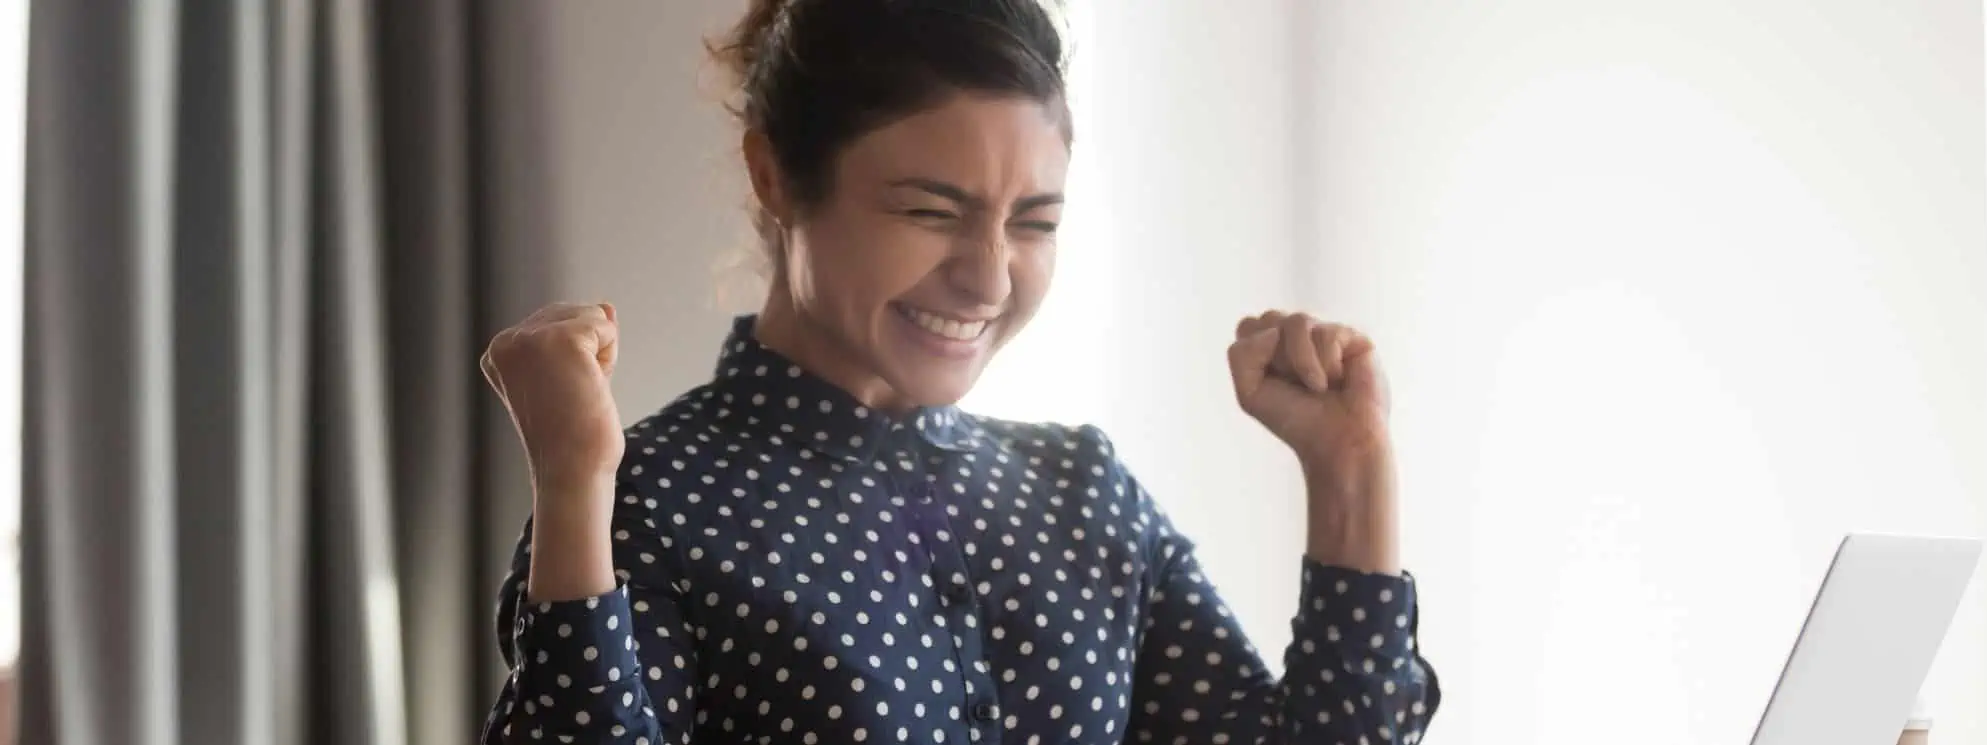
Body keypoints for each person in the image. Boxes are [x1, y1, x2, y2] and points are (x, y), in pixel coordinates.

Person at [477, 1, 1442, 743]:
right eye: (930, 211)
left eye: (1035, 222)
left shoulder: (1085, 495)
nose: (989, 276)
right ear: (774, 175)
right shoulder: (647, 501)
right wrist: (574, 489)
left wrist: (1351, 473)